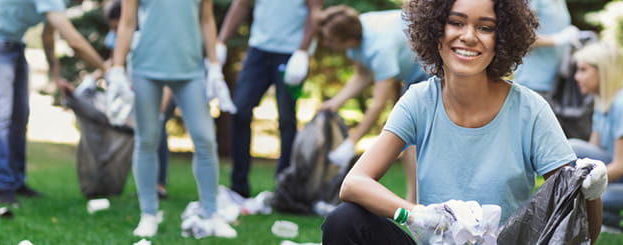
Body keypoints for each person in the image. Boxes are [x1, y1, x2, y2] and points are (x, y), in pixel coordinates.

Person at [321, 0, 606, 244]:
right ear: (436, 30)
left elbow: (582, 234)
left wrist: (590, 195)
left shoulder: (530, 110)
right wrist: (417, 214)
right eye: (456, 23)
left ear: (503, 37)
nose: (469, 36)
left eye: (485, 27)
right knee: (344, 220)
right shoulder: (419, 100)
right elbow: (354, 184)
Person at [110, 0, 236, 237]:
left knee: (205, 140)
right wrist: (117, 68)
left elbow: (206, 20)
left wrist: (215, 66)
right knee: (146, 140)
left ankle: (212, 214)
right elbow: (127, 23)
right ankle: (148, 214)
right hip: (145, 68)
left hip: (190, 70)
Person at [0, 0, 106, 205]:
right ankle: (3, 186)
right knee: (2, 116)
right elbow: (74, 41)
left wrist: (56, 75)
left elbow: (48, 34)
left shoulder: (57, 3)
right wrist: (108, 70)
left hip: (15, 44)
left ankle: (16, 182)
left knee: (20, 116)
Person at [317, 5, 432, 202]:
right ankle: (414, 199)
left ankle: (414, 200)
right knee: (409, 141)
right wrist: (336, 102)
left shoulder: (380, 47)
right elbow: (362, 75)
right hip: (413, 74)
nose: (327, 44)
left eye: (330, 40)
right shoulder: (358, 33)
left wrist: (351, 143)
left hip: (429, 69)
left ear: (346, 40)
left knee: (411, 139)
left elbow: (379, 104)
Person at [217, 0, 323, 198]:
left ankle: (284, 188)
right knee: (239, 111)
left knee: (286, 119)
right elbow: (241, 5)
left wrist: (302, 51)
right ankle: (238, 187)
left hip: (291, 53)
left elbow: (315, 12)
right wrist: (221, 41)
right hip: (258, 50)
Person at [569, 42, 623, 229]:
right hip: (622, 181)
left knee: (588, 200)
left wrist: (581, 187)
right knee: (575, 154)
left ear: (602, 71)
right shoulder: (603, 102)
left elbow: (621, 166)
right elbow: (593, 153)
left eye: (583, 70)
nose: (576, 77)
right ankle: (616, 223)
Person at [103, 0, 170, 199]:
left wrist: (161, 108)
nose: (115, 32)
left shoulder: (149, 35)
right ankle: (145, 187)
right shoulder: (117, 36)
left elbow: (166, 72)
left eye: (117, 27)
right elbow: (114, 60)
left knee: (159, 130)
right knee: (144, 134)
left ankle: (159, 184)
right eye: (113, 28)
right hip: (137, 88)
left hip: (162, 85)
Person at [513, 0, 580, 96]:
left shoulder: (560, 2)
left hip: (557, 82)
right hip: (533, 81)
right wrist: (556, 39)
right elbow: (521, 36)